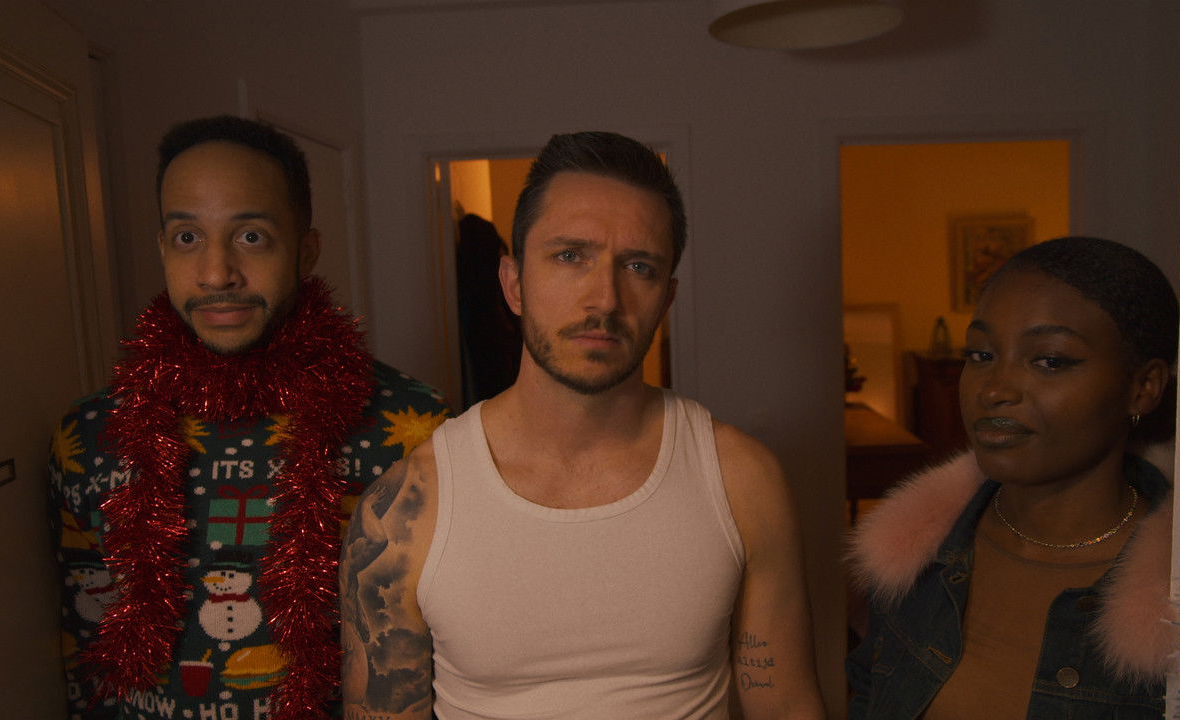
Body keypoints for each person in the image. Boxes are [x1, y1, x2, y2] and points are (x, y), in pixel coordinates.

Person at [341, 131, 826, 719]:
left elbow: (786, 705)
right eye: (571, 256)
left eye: (639, 266)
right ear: (513, 283)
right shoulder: (408, 508)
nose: (605, 299)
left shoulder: (742, 478)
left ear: (666, 298)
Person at [48, 115, 449, 720]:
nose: (216, 273)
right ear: (162, 247)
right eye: (187, 237)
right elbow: (83, 650)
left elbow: (448, 651)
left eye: (251, 236)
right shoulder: (89, 436)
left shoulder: (413, 429)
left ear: (305, 251)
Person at [846, 236, 1180, 719]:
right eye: (980, 355)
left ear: (1143, 387)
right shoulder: (915, 554)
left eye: (1049, 361)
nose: (994, 390)